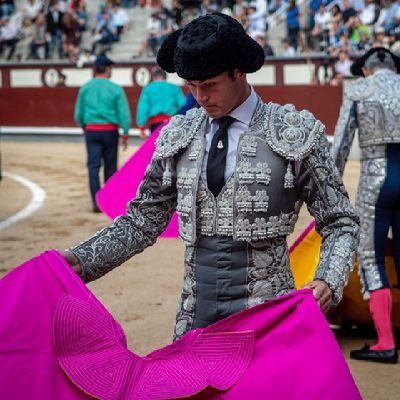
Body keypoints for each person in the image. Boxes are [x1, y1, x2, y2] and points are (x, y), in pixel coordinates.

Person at [63, 13, 359, 341]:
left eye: (210, 86)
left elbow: (340, 222)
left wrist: (328, 279)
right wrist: (80, 261)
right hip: (195, 318)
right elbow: (140, 222)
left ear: (239, 72)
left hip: (269, 317)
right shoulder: (179, 135)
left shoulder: (293, 134)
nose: (200, 97)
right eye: (192, 86)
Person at [331, 47, 400, 364]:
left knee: (371, 258)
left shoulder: (359, 90)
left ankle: (385, 342)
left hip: (377, 180)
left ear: (367, 70)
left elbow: (341, 145)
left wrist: (328, 194)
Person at [74, 54, 131, 213]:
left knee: (93, 167)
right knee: (110, 167)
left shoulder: (85, 87)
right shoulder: (115, 88)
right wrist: (125, 133)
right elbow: (123, 114)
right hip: (110, 131)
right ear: (106, 70)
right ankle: (110, 201)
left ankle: (95, 201)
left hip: (91, 131)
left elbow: (78, 114)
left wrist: (84, 126)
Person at [136, 66, 186, 137]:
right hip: (172, 123)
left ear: (153, 77)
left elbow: (143, 108)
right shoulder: (174, 88)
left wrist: (141, 126)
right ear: (165, 77)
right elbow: (183, 105)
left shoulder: (148, 88)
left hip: (155, 123)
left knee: (156, 146)